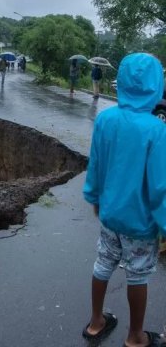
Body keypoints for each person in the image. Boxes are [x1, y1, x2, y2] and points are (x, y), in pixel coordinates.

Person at [82, 53, 166, 347]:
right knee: (138, 274)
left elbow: (97, 164)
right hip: (139, 221)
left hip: (109, 214)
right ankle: (135, 336)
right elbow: (159, 187)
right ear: (156, 85)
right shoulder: (157, 129)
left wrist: (94, 198)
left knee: (103, 262)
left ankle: (95, 322)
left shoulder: (105, 119)